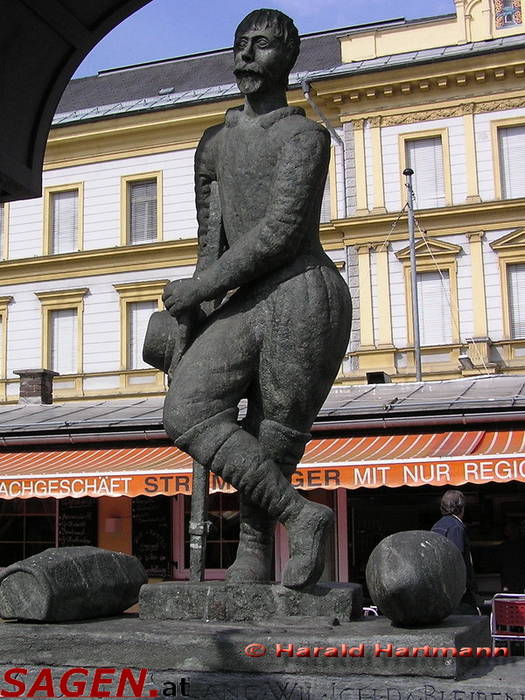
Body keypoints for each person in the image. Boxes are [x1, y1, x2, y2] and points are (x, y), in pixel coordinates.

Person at [160, 9, 352, 589]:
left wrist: (201, 288)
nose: (246, 55)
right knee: (186, 412)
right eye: (240, 44)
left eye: (262, 45)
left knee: (274, 433)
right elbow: (210, 239)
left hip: (302, 295)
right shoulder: (213, 143)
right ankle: (301, 515)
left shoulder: (304, 136)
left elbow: (282, 231)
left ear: (288, 59)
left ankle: (254, 552)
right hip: (243, 296)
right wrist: (193, 312)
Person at [431, 490, 478, 614]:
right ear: (461, 508)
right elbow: (456, 558)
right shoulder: (456, 527)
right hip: (458, 592)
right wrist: (462, 585)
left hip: (442, 587)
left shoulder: (436, 526)